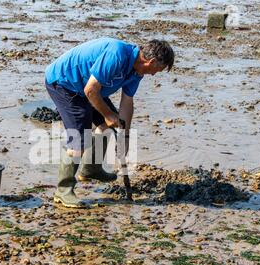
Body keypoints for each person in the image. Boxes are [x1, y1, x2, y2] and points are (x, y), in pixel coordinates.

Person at [45, 37, 174, 208]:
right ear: (150, 61)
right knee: (79, 139)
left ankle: (91, 169)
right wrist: (107, 114)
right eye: (158, 69)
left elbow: (127, 103)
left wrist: (125, 138)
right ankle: (63, 191)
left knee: (107, 127)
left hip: (89, 88)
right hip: (64, 83)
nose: (154, 74)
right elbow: (90, 90)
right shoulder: (117, 55)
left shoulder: (137, 72)